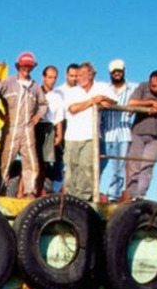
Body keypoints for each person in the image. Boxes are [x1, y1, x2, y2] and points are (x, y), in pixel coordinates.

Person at [61, 62, 115, 201]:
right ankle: (70, 197)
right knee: (72, 168)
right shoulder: (72, 91)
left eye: (84, 74)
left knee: (87, 167)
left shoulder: (102, 87)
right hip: (72, 136)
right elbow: (73, 109)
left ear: (91, 74)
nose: (81, 78)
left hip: (91, 135)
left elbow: (112, 102)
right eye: (78, 75)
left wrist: (101, 99)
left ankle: (83, 198)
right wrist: (92, 101)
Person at [0, 52, 47, 198]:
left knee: (31, 161)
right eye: (24, 66)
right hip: (11, 128)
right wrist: (1, 113)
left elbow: (43, 104)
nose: (26, 69)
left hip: (27, 129)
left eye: (29, 67)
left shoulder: (35, 86)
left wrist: (38, 116)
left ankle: (29, 191)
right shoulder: (8, 82)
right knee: (5, 161)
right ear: (18, 66)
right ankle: (1, 189)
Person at [123, 71, 157, 201]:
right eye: (153, 86)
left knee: (147, 166)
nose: (156, 89)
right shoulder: (143, 87)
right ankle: (132, 195)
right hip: (138, 132)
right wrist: (151, 103)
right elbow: (131, 102)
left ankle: (140, 195)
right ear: (149, 83)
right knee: (134, 166)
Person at [99, 58, 137, 202]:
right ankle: (92, 192)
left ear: (124, 71)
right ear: (110, 73)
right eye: (114, 72)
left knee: (119, 169)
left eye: (119, 71)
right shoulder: (105, 89)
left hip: (123, 134)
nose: (117, 74)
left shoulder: (133, 88)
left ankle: (113, 196)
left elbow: (146, 94)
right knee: (98, 166)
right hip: (105, 133)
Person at [36, 65, 65, 194]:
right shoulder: (35, 91)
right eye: (49, 77)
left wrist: (59, 134)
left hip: (49, 128)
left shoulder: (57, 96)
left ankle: (40, 189)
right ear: (43, 77)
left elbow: (59, 117)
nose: (52, 80)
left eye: (54, 78)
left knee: (45, 163)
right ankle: (27, 190)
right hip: (36, 127)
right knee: (32, 161)